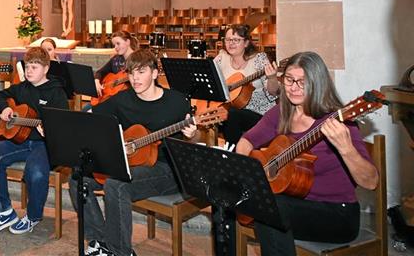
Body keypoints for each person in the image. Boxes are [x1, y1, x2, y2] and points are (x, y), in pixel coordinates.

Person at [233, 51, 378, 256]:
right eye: (289, 79)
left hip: (337, 214)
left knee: (270, 208)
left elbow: (371, 182)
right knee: (226, 194)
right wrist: (251, 173)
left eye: (302, 82)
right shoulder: (281, 112)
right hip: (291, 202)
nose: (293, 87)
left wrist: (346, 149)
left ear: (318, 83)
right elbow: (246, 141)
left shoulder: (339, 122)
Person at [70, 49, 199, 256]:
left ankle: (120, 252)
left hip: (168, 169)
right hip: (132, 163)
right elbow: (91, 116)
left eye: (141, 72)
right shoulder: (123, 99)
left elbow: (195, 144)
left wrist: (193, 135)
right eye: (131, 73)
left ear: (155, 73)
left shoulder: (177, 101)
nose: (135, 78)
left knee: (116, 185)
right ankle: (101, 241)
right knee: (78, 178)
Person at [0, 47, 69, 235]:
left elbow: (64, 125)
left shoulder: (56, 92)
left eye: (34, 67)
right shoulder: (22, 87)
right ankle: (4, 211)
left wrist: (49, 130)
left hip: (45, 145)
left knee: (35, 172)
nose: (29, 71)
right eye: (27, 66)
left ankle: (33, 216)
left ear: (45, 69)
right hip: (20, 142)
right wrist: (4, 108)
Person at [214, 24, 278, 145]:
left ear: (246, 43)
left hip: (259, 113)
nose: (231, 43)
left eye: (236, 40)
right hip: (231, 108)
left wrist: (272, 78)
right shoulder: (221, 58)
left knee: (232, 115)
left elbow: (273, 93)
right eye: (228, 40)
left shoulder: (259, 59)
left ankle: (233, 154)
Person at [91, 30, 139, 102]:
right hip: (113, 98)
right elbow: (100, 72)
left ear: (128, 42)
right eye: (114, 45)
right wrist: (96, 81)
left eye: (118, 43)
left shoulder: (139, 59)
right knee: (86, 109)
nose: (115, 47)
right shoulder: (116, 59)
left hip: (130, 99)